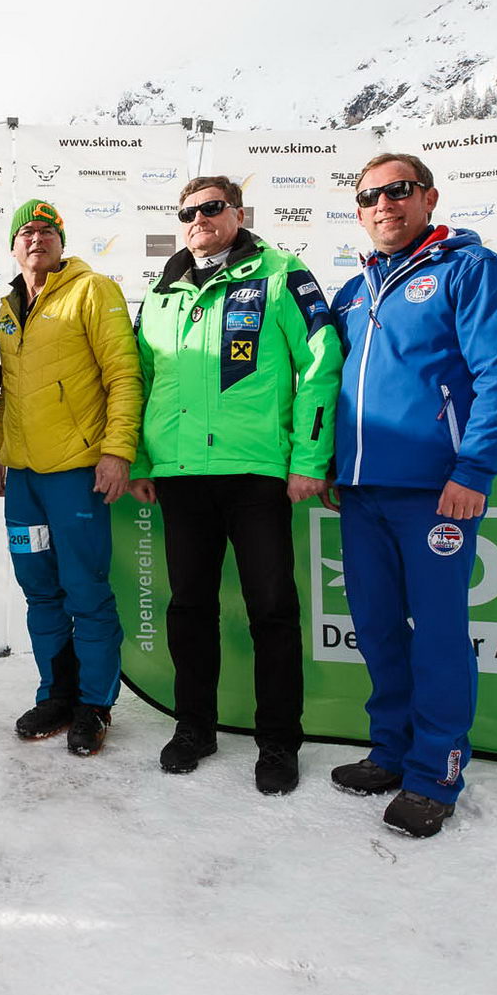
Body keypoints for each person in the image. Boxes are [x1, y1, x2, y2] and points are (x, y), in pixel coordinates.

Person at [327, 153, 497, 838]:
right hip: (360, 492)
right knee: (378, 628)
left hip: (436, 493)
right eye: (368, 196)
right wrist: (330, 464)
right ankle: (390, 752)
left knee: (437, 635)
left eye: (397, 191)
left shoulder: (472, 270)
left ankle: (435, 773)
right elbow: (333, 390)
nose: (383, 204)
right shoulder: (354, 291)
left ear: (428, 197)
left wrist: (474, 469)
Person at [128, 176, 342, 795]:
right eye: (188, 212)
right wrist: (142, 460)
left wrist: (310, 457)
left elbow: (322, 361)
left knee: (271, 610)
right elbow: (141, 378)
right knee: (188, 609)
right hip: (180, 476)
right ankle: (194, 726)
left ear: (238, 213)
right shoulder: (163, 290)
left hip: (256, 474)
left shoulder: (281, 273)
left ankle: (279, 741)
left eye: (212, 208)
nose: (199, 219)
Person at [0, 198, 141, 757]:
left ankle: (94, 705)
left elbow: (124, 374)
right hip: (24, 479)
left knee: (86, 591)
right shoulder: (8, 307)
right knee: (38, 589)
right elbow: (10, 394)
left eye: (48, 231)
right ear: (13, 244)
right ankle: (56, 693)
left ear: (61, 241)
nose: (37, 239)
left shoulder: (92, 290)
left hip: (77, 474)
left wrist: (118, 450)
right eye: (26, 231)